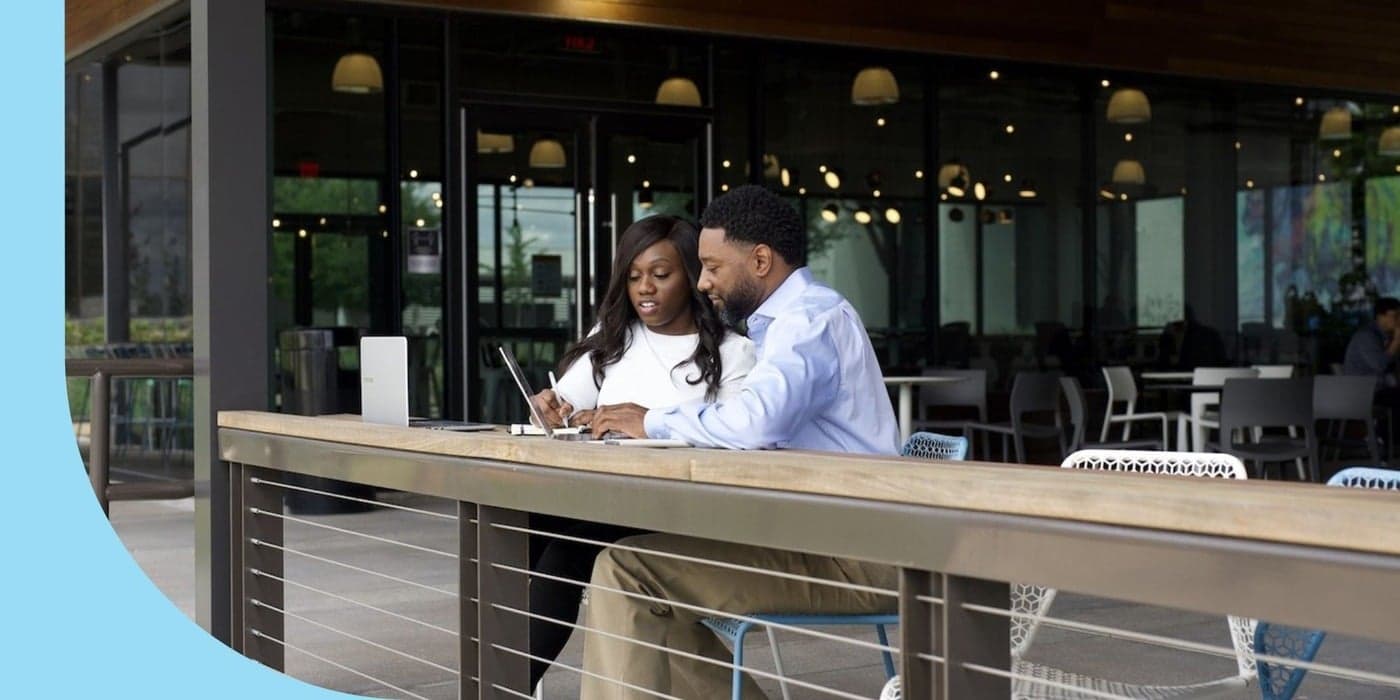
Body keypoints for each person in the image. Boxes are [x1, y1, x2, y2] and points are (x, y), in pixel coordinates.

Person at [581, 185, 901, 699]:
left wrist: (653, 422)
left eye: (712, 266)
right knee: (645, 582)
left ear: (759, 260)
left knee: (626, 571)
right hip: (826, 536)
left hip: (851, 551)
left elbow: (757, 424)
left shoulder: (809, 320)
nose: (703, 281)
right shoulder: (783, 326)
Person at [522, 215, 755, 691]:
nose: (644, 288)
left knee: (567, 554)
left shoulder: (735, 356)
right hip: (603, 501)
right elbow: (562, 410)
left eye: (660, 274)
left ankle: (499, 684)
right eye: (632, 276)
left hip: (680, 513)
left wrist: (645, 421)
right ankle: (491, 675)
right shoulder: (614, 341)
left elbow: (740, 443)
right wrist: (547, 412)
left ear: (693, 276)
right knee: (509, 529)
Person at [1342, 296, 1400, 388]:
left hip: (1381, 388)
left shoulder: (1387, 336)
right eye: (1395, 316)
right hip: (1363, 391)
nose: (1399, 320)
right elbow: (1380, 365)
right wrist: (1397, 341)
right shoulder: (1366, 336)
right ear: (1381, 316)